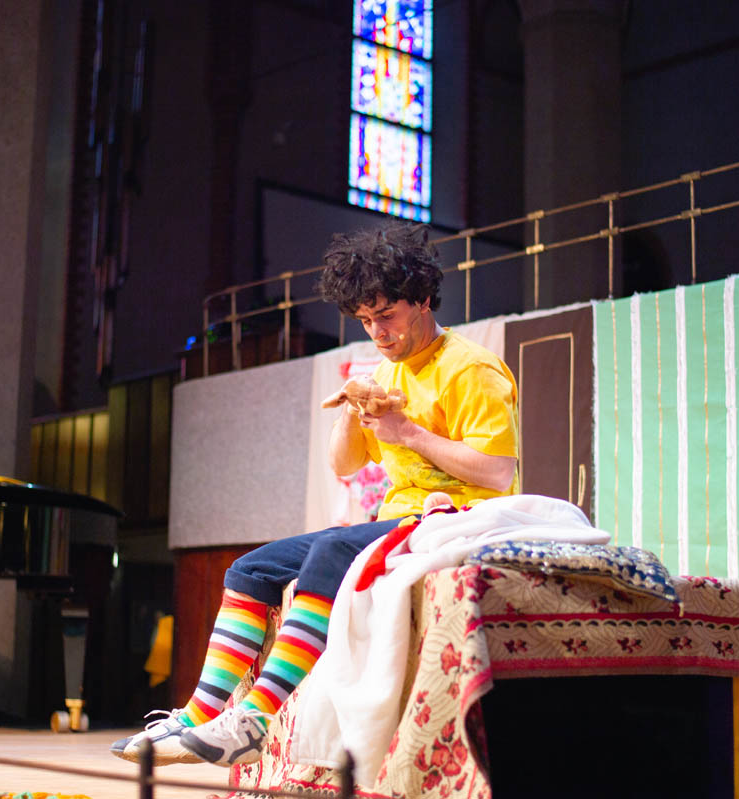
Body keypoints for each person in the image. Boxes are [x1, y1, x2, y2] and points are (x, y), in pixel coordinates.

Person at [110, 221, 519, 768]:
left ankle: (254, 719)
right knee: (250, 570)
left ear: (423, 299)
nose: (377, 332)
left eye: (387, 315)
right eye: (365, 320)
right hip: (403, 521)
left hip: (459, 515)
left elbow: (498, 472)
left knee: (330, 550)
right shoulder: (388, 370)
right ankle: (196, 715)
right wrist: (353, 409)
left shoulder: (471, 367)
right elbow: (343, 464)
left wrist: (409, 434)